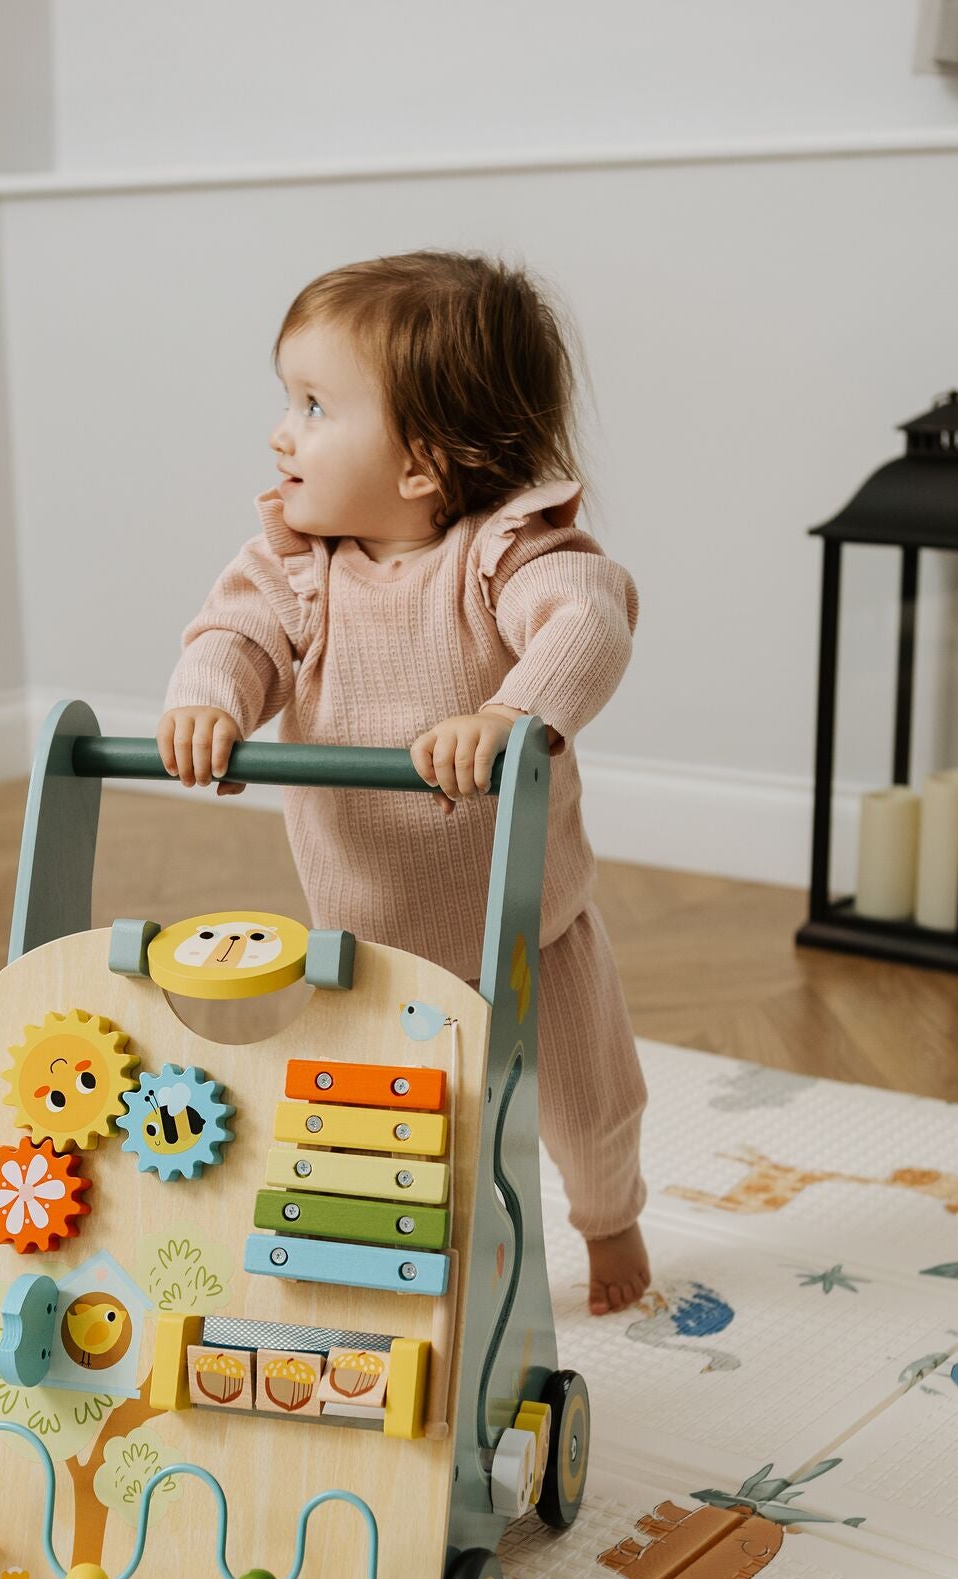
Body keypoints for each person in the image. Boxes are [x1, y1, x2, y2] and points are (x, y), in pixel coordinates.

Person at [158, 250, 649, 1315]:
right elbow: (233, 637)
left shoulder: (503, 556)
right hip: (365, 941)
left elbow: (590, 620)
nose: (282, 432)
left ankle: (612, 1228)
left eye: (314, 404)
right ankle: (378, 1280)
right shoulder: (297, 565)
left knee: (585, 1102)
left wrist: (510, 714)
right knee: (374, 1124)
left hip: (529, 929)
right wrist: (211, 701)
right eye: (287, 400)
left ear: (423, 463)